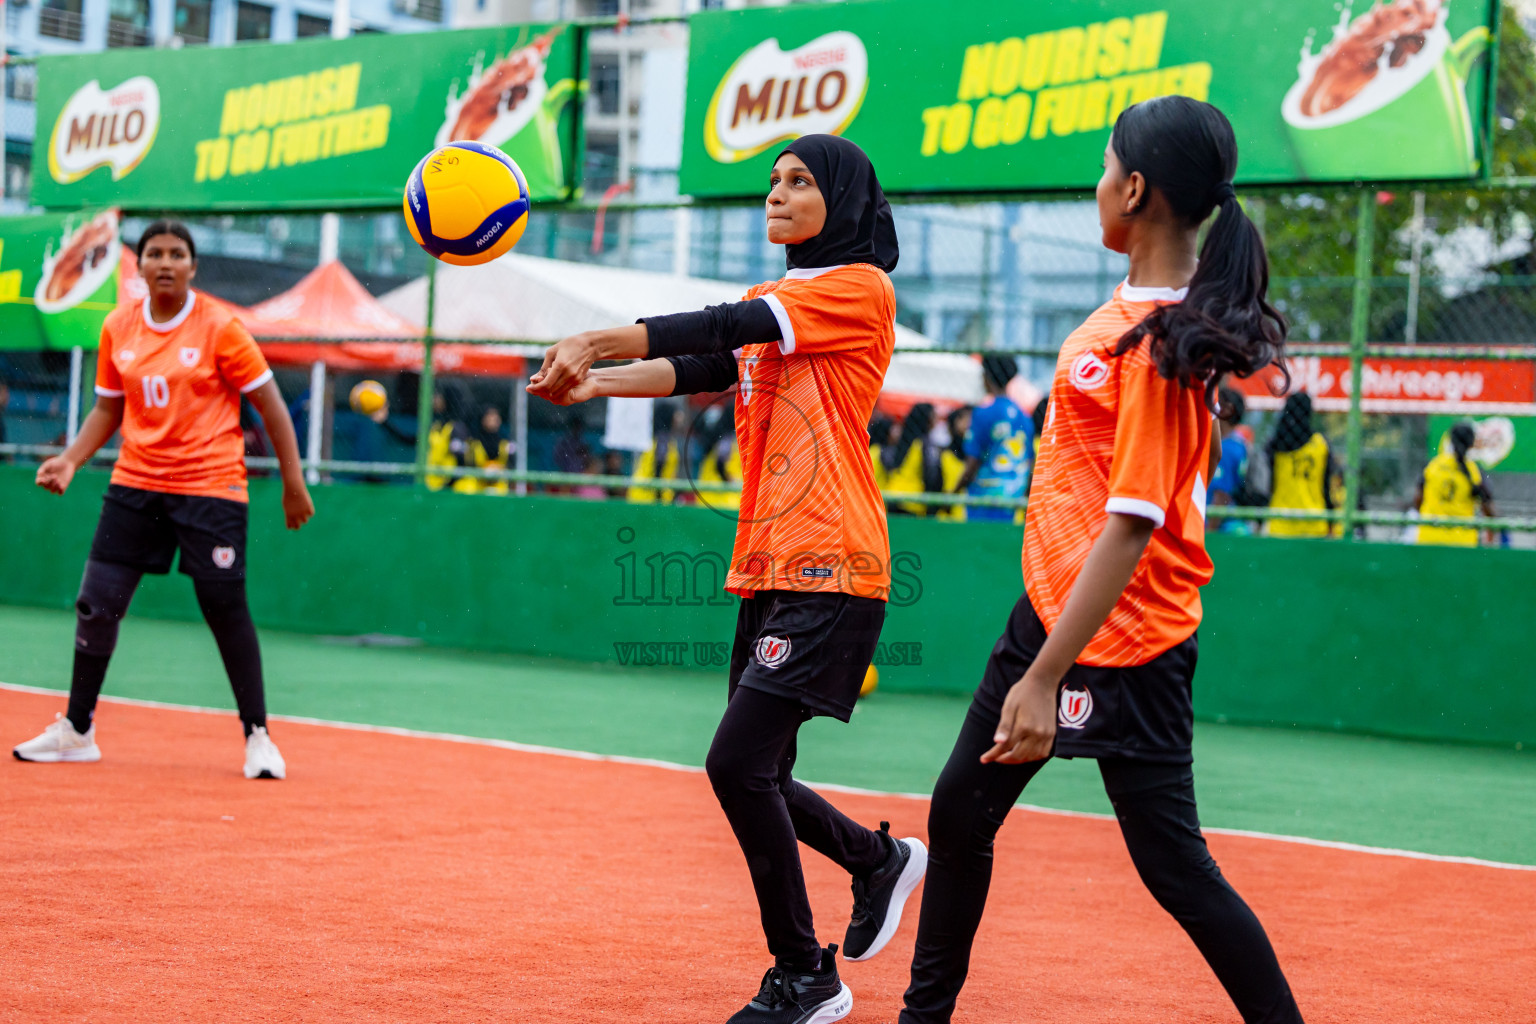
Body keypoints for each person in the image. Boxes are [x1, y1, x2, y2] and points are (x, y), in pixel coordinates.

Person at [898, 97, 1303, 1024]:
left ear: (1132, 188)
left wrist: (1043, 679)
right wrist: (1039, 651)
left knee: (1175, 870)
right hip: (1051, 610)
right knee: (960, 816)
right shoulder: (1135, 310)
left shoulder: (1166, 340)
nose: (1094, 183)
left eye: (1103, 164)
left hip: (1127, 639)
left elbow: (1130, 525)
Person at [528, 135, 927, 1024]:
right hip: (769, 564)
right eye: (772, 183)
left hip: (832, 560)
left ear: (848, 201)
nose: (776, 195)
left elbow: (723, 329)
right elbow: (711, 364)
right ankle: (875, 861)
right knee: (762, 772)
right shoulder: (777, 301)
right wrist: (598, 384)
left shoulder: (856, 289)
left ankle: (805, 973)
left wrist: (593, 336)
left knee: (735, 764)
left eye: (799, 182)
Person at [13, 220, 315, 778]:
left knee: (224, 609)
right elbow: (108, 408)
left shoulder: (220, 327)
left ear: (193, 267)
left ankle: (258, 737)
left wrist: (293, 483)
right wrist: (70, 459)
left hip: (209, 486)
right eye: (156, 253)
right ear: (141, 265)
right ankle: (77, 731)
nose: (167, 262)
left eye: (178, 254)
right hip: (136, 481)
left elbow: (271, 405)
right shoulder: (118, 327)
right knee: (96, 604)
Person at [952, 355, 1033, 523]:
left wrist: (953, 493)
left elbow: (973, 462)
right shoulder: (1024, 416)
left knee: (977, 546)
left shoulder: (982, 413)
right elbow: (1030, 462)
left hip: (984, 498)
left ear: (987, 376)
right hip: (1012, 498)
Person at [1265, 391, 1339, 538]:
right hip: (1314, 521)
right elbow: (1326, 486)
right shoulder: (1320, 445)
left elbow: (1269, 484)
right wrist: (1331, 523)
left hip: (1280, 522)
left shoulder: (1275, 446)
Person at [1412, 421, 1497, 546]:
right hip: (1462, 541)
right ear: (1472, 443)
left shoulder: (1433, 466)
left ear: (1450, 440)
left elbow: (1418, 499)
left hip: (1429, 538)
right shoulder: (1474, 472)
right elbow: (1488, 509)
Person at [1207, 385, 1251, 532]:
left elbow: (1221, 495)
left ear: (1227, 410)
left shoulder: (1226, 449)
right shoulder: (1240, 444)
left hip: (1218, 525)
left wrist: (1210, 531)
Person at [884, 403, 935, 516]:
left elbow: (888, 462)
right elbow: (930, 474)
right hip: (912, 499)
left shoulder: (902, 439)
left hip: (892, 493)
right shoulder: (923, 443)